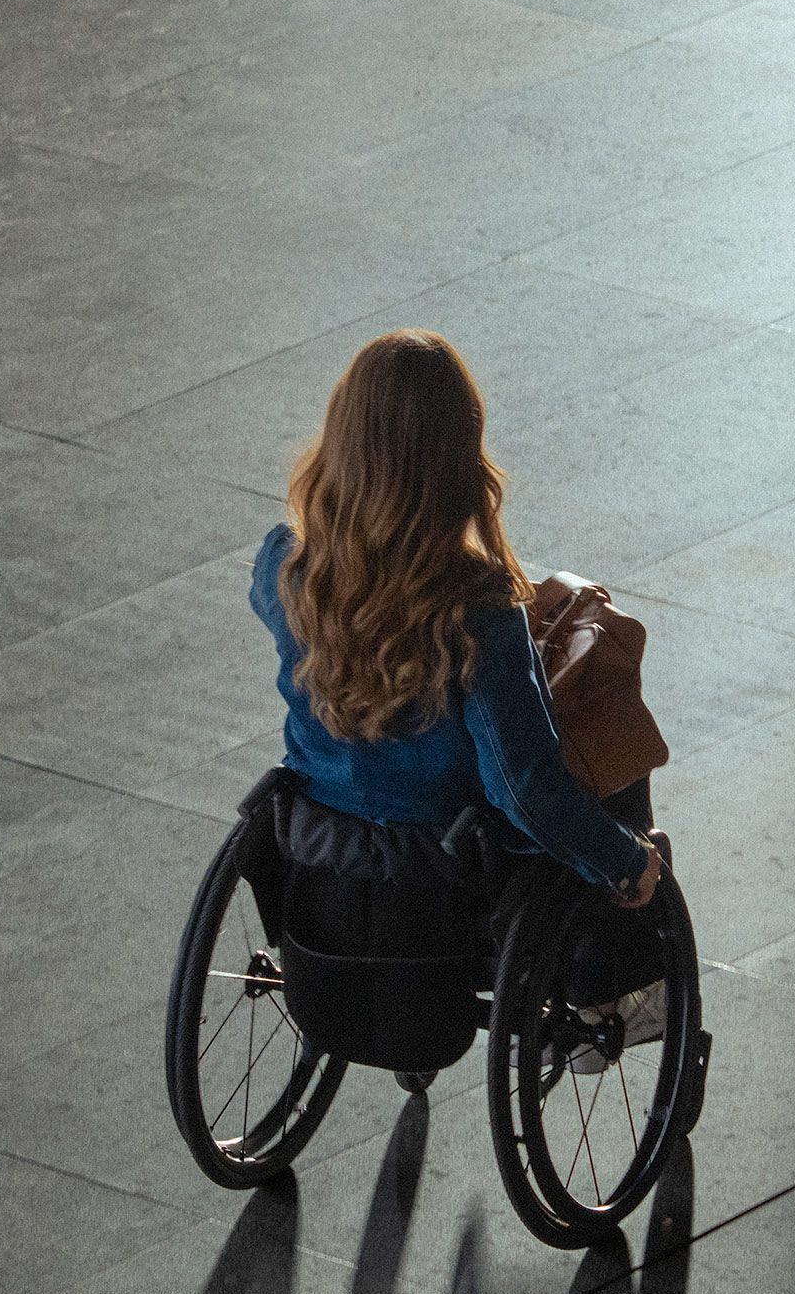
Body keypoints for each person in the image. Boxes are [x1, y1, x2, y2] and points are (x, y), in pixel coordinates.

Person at [252, 331, 665, 915]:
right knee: (604, 720)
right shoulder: (475, 608)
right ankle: (612, 987)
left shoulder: (286, 566)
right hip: (443, 875)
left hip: (318, 852)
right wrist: (623, 861)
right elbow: (520, 787)